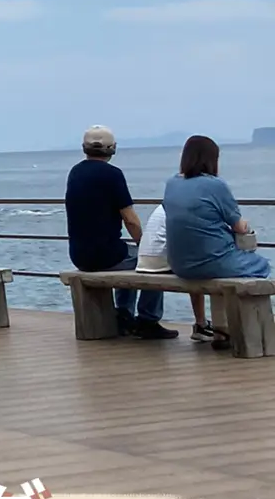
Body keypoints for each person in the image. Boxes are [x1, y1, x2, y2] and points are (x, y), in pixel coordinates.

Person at [65, 124, 175, 339]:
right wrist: (145, 245)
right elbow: (130, 220)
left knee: (128, 255)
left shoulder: (75, 172)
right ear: (112, 148)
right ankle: (148, 319)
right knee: (154, 261)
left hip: (79, 255)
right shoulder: (112, 174)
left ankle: (123, 314)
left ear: (84, 148)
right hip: (106, 256)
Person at [163, 136, 271, 295]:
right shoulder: (215, 185)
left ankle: (225, 318)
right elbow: (239, 227)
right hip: (212, 261)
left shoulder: (171, 183)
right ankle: (250, 318)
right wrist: (247, 225)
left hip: (180, 265)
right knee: (263, 265)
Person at [135, 201, 219, 345]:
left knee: (194, 262)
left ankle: (201, 324)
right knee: (199, 269)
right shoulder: (187, 206)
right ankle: (203, 324)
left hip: (145, 259)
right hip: (160, 262)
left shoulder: (169, 203)